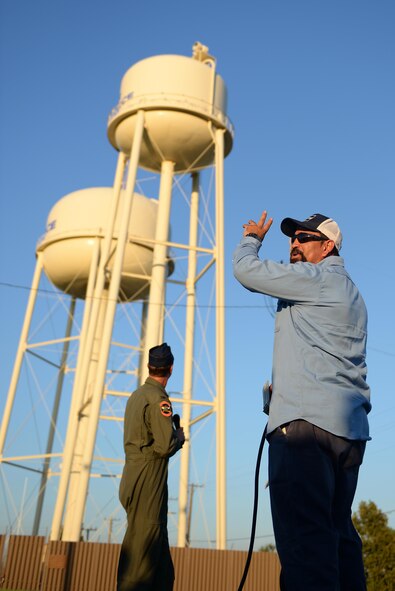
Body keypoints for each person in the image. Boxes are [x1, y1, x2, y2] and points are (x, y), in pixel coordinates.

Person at [233, 211, 371, 591]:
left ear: (328, 246)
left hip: (304, 432)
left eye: (304, 237)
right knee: (339, 542)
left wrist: (251, 239)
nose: (294, 243)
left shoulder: (315, 279)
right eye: (291, 238)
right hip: (347, 434)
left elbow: (246, 270)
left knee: (306, 552)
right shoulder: (352, 294)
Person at [117, 342, 185, 591]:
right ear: (171, 369)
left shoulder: (136, 396)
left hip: (131, 475)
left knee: (159, 561)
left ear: (148, 366)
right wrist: (178, 437)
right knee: (143, 555)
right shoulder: (158, 399)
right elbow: (164, 446)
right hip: (149, 480)